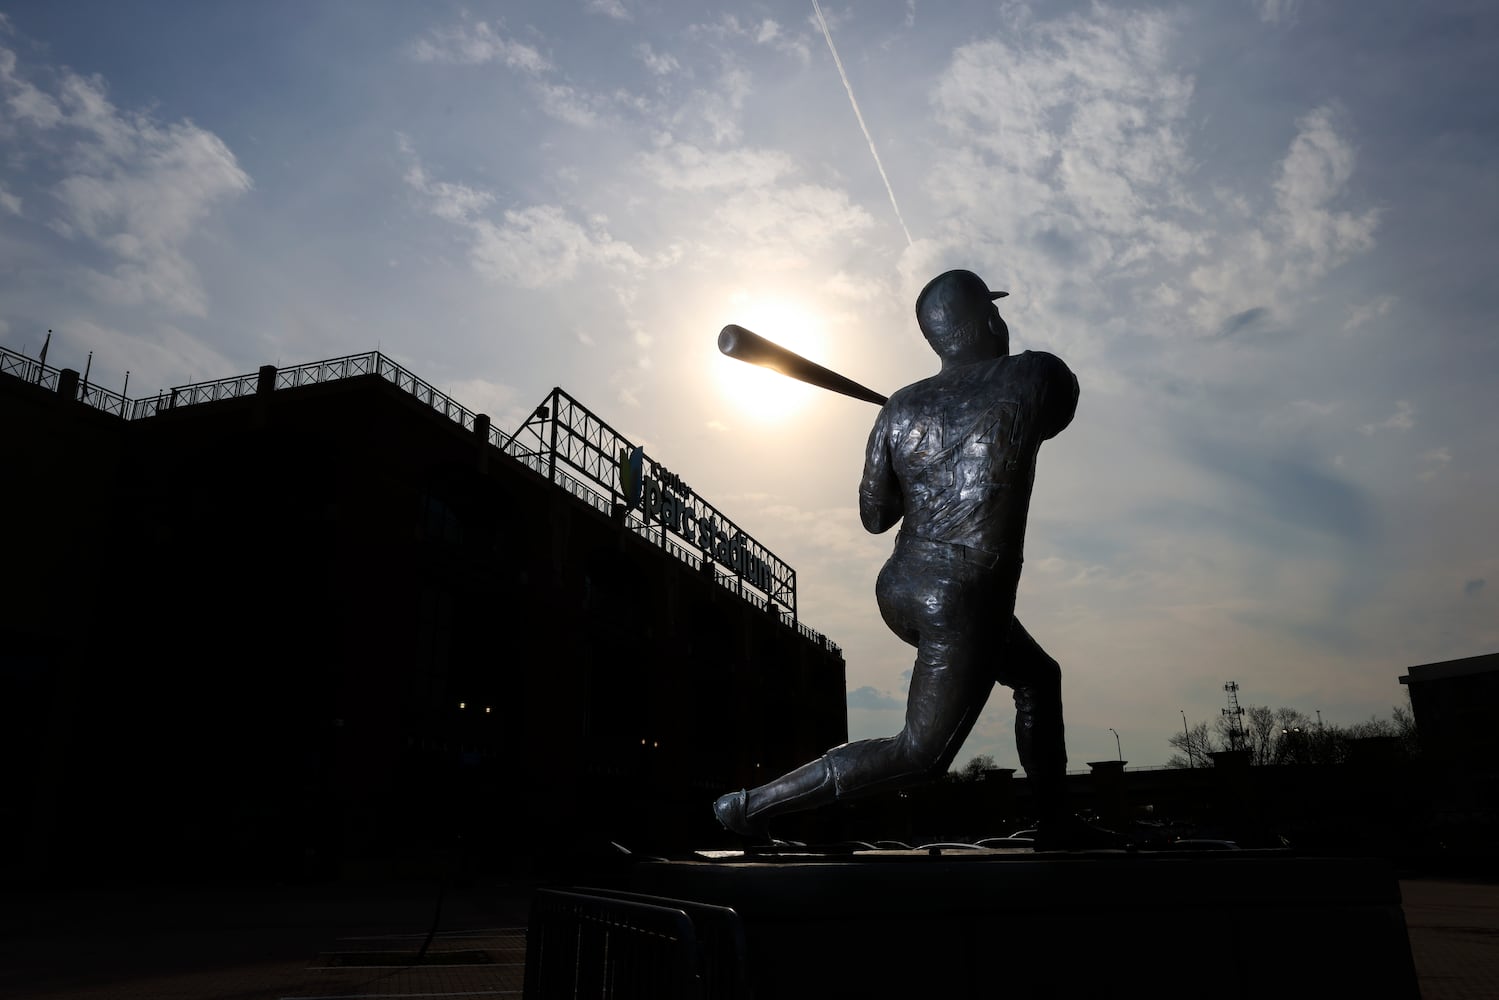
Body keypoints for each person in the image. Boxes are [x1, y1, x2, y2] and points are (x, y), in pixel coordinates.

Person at [714, 269, 1097, 849]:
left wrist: (910, 431)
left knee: (1038, 677)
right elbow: (1060, 409)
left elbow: (876, 515)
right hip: (965, 593)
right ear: (989, 320)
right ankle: (750, 806)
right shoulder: (1032, 374)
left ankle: (1054, 823)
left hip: (902, 584)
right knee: (920, 754)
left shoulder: (898, 408)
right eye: (996, 315)